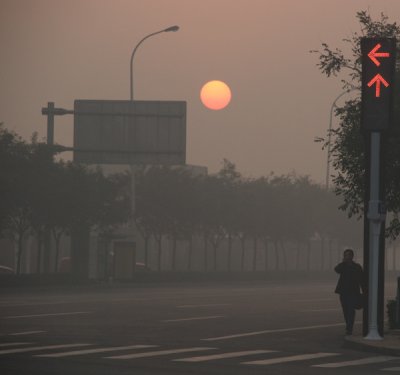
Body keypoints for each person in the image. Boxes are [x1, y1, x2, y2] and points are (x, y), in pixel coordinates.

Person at [334, 248, 364, 335]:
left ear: (352, 256)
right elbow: (336, 269)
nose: (347, 257)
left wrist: (365, 291)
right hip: (343, 292)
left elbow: (362, 280)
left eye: (348, 255)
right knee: (346, 310)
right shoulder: (343, 266)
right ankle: (348, 325)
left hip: (353, 292)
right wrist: (343, 262)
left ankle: (349, 328)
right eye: (345, 255)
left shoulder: (357, 267)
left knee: (351, 310)